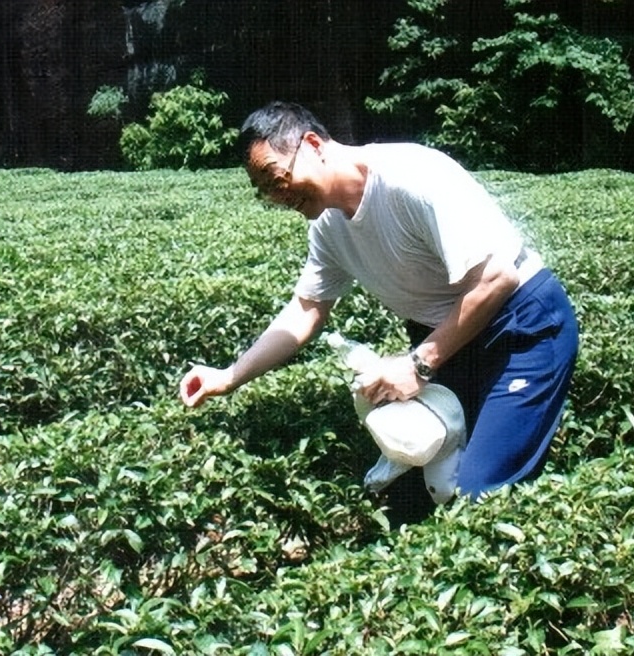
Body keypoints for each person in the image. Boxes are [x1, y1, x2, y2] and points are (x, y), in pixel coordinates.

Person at [179, 101, 578, 517]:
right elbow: (306, 310)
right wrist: (230, 376)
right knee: (414, 495)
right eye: (266, 192)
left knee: (480, 497)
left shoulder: (413, 177)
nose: (279, 197)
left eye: (277, 178)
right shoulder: (328, 227)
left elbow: (498, 278)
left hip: (520, 327)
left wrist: (418, 365)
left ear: (313, 144)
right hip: (450, 337)